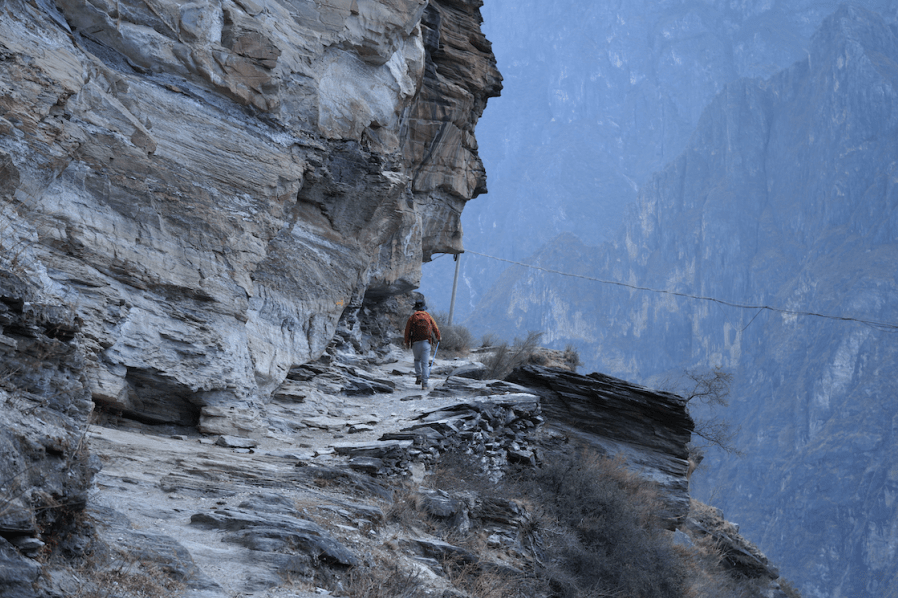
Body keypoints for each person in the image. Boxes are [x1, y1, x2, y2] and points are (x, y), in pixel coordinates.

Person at [403, 298, 441, 390]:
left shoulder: (412, 318)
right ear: (424, 308)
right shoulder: (428, 316)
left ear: (416, 308)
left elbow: (407, 332)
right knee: (425, 363)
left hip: (415, 343)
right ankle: (424, 384)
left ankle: (418, 375)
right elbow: (435, 328)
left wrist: (407, 342)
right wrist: (439, 337)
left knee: (416, 360)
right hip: (426, 343)